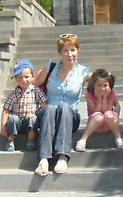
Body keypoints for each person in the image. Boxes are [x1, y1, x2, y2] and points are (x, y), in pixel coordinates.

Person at [33, 34, 90, 175]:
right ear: (60, 52)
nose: (69, 54)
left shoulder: (84, 72)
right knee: (50, 108)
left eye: (72, 50)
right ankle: (44, 159)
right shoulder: (51, 68)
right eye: (65, 50)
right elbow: (33, 86)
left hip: (70, 117)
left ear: (78, 51)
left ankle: (62, 156)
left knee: (65, 107)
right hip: (48, 115)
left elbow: (101, 82)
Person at [75, 68, 123, 151]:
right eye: (99, 85)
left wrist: (106, 98)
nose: (102, 88)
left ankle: (119, 139)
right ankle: (82, 140)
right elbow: (96, 111)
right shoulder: (89, 95)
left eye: (105, 85)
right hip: (95, 124)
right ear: (93, 86)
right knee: (99, 116)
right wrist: (100, 100)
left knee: (109, 114)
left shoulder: (112, 94)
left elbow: (108, 110)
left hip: (110, 123)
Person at [0, 60, 46, 151]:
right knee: (13, 118)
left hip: (30, 123)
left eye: (26, 77)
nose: (23, 80)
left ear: (32, 77)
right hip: (17, 123)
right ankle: (10, 141)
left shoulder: (36, 91)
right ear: (16, 79)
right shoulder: (14, 94)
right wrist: (3, 126)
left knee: (33, 118)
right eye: (19, 78)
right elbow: (6, 110)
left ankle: (30, 140)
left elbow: (44, 105)